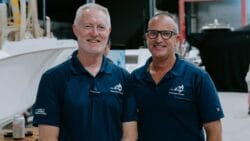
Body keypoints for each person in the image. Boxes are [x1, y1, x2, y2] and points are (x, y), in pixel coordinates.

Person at [32, 3, 137, 141]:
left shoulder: (124, 78)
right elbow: (48, 138)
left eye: (101, 27)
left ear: (109, 31)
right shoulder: (52, 79)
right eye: (88, 26)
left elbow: (130, 134)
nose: (95, 33)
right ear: (75, 30)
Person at [131, 12, 224, 141]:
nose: (159, 39)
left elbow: (214, 131)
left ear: (177, 39)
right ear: (147, 37)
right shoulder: (135, 78)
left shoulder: (197, 77)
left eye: (166, 33)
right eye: (153, 33)